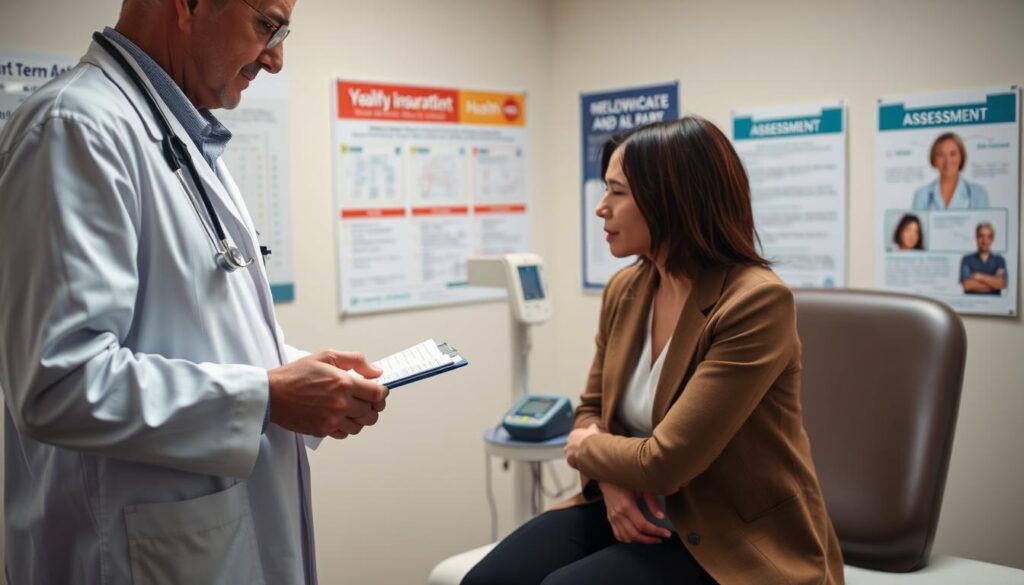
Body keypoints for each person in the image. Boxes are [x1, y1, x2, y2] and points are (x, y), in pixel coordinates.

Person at [0, 1, 390, 583]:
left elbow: (188, 331)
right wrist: (266, 396)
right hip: (132, 553)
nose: (277, 59)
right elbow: (58, 383)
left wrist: (297, 373)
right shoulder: (74, 128)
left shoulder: (179, 138)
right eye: (266, 26)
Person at [463, 117, 843, 585]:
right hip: (629, 505)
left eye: (617, 193)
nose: (601, 208)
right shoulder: (627, 288)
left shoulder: (755, 301)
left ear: (673, 200)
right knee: (487, 580)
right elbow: (589, 411)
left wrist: (588, 449)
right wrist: (610, 480)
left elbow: (665, 463)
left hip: (727, 534)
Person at [911, 132, 989, 210]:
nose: (947, 161)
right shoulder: (921, 195)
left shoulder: (978, 194)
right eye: (941, 155)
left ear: (961, 157)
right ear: (934, 159)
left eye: (953, 154)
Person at [960, 222, 1007, 295]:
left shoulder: (999, 260)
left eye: (988, 237)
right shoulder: (967, 259)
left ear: (992, 239)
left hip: (995, 304)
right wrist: (993, 283)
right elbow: (967, 285)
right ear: (976, 238)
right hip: (972, 304)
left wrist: (980, 277)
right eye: (981, 236)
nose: (985, 241)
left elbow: (1001, 284)